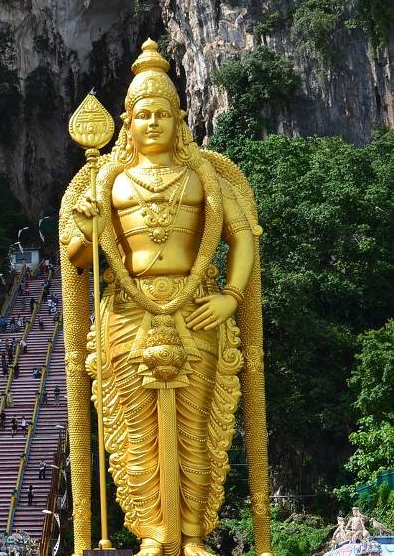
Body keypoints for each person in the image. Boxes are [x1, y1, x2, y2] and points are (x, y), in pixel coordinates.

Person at [59, 39, 272, 554]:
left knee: (199, 428)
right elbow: (79, 258)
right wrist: (88, 225)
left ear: (179, 120)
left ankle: (194, 535)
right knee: (135, 432)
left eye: (162, 113)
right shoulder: (107, 181)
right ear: (126, 123)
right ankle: (151, 533)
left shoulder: (206, 180)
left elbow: (243, 237)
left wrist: (230, 294)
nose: (152, 123)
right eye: (142, 114)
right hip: (129, 313)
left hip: (196, 308)